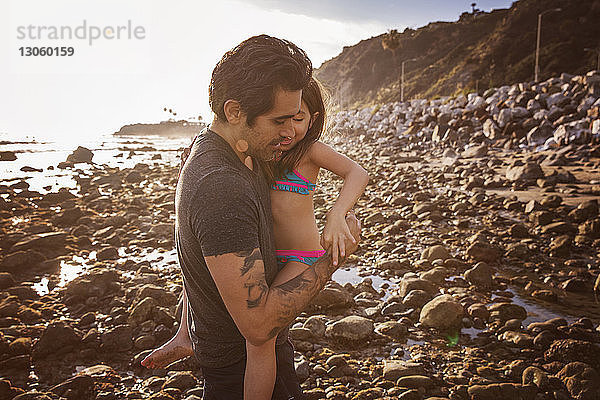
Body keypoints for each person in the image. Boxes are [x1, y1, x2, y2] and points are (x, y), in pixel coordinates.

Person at [142, 35, 362, 400]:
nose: (289, 133)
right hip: (238, 373)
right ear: (233, 112)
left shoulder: (234, 149)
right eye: (278, 121)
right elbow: (259, 328)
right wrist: (332, 260)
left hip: (239, 356)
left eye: (296, 118)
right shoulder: (220, 186)